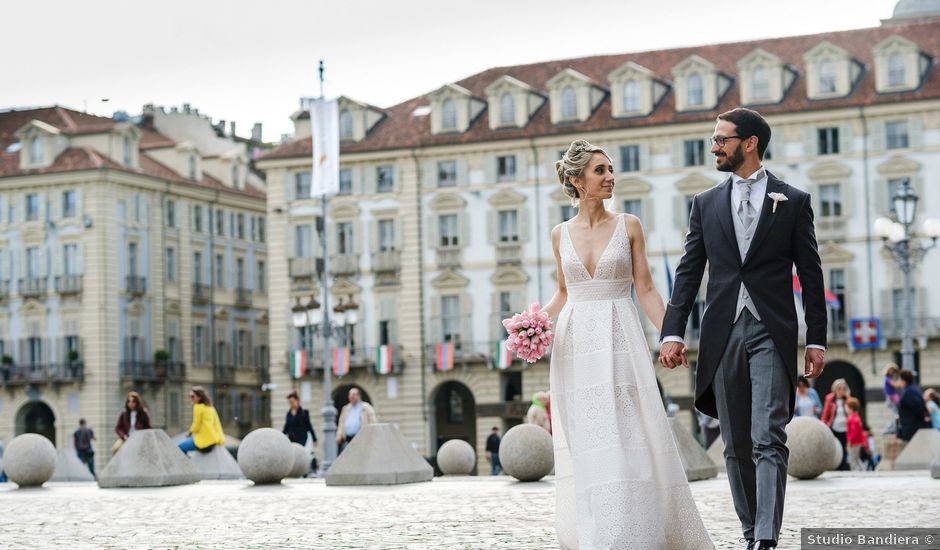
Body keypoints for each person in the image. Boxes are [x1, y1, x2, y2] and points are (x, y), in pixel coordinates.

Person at [660, 108, 827, 550]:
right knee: (734, 442)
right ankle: (751, 531)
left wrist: (816, 338)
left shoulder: (793, 200)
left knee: (767, 434)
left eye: (721, 139)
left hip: (772, 330)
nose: (713, 146)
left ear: (749, 143)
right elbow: (689, 272)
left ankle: (766, 538)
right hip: (722, 332)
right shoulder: (705, 203)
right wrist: (672, 331)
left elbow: (811, 275)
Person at [543, 139, 712, 549]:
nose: (610, 177)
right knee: (590, 437)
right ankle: (597, 532)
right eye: (600, 171)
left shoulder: (629, 224)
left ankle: (635, 530)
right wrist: (531, 326)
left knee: (627, 432)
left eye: (610, 169)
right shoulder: (558, 234)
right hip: (576, 343)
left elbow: (648, 288)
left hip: (619, 336)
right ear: (577, 180)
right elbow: (564, 294)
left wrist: (671, 335)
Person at [177, 386, 225, 454]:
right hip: (212, 441)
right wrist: (221, 439)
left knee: (178, 447)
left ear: (199, 397)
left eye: (193, 396)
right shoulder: (210, 407)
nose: (191, 398)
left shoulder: (198, 407)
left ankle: (186, 463)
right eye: (190, 396)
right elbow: (217, 424)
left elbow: (196, 426)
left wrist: (189, 432)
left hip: (203, 442)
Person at [283, 391, 318, 473]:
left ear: (297, 401)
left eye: (292, 402)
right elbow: (286, 427)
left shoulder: (304, 413)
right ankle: (295, 470)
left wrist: (314, 439)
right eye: (289, 402)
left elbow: (309, 426)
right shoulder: (288, 414)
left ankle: (304, 470)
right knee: (294, 454)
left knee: (301, 453)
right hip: (292, 437)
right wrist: (281, 436)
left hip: (302, 437)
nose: (291, 404)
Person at [821, 379, 850, 470]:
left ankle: (843, 467)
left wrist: (848, 398)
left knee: (844, 449)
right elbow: (825, 414)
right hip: (834, 428)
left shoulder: (848, 400)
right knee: (835, 448)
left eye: (843, 389)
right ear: (835, 389)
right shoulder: (830, 399)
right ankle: (834, 466)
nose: (841, 391)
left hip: (845, 429)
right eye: (839, 388)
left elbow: (853, 413)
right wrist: (823, 425)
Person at [335, 388, 377, 453]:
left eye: (354, 395)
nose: (351, 397)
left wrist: (372, 435)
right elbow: (341, 423)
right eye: (350, 395)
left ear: (359, 396)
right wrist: (339, 435)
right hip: (348, 438)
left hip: (362, 438)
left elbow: (373, 422)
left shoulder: (366, 407)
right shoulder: (346, 408)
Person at [896, 369, 930, 442]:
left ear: (903, 380)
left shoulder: (909, 391)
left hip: (913, 429)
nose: (897, 381)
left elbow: (918, 408)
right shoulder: (913, 389)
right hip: (914, 428)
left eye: (899, 379)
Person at [844, 397, 865, 471]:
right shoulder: (857, 417)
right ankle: (862, 469)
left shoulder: (852, 418)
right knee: (856, 458)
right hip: (857, 442)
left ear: (851, 408)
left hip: (854, 442)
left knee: (852, 459)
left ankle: (856, 471)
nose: (845, 410)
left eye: (846, 407)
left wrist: (849, 441)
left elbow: (853, 431)